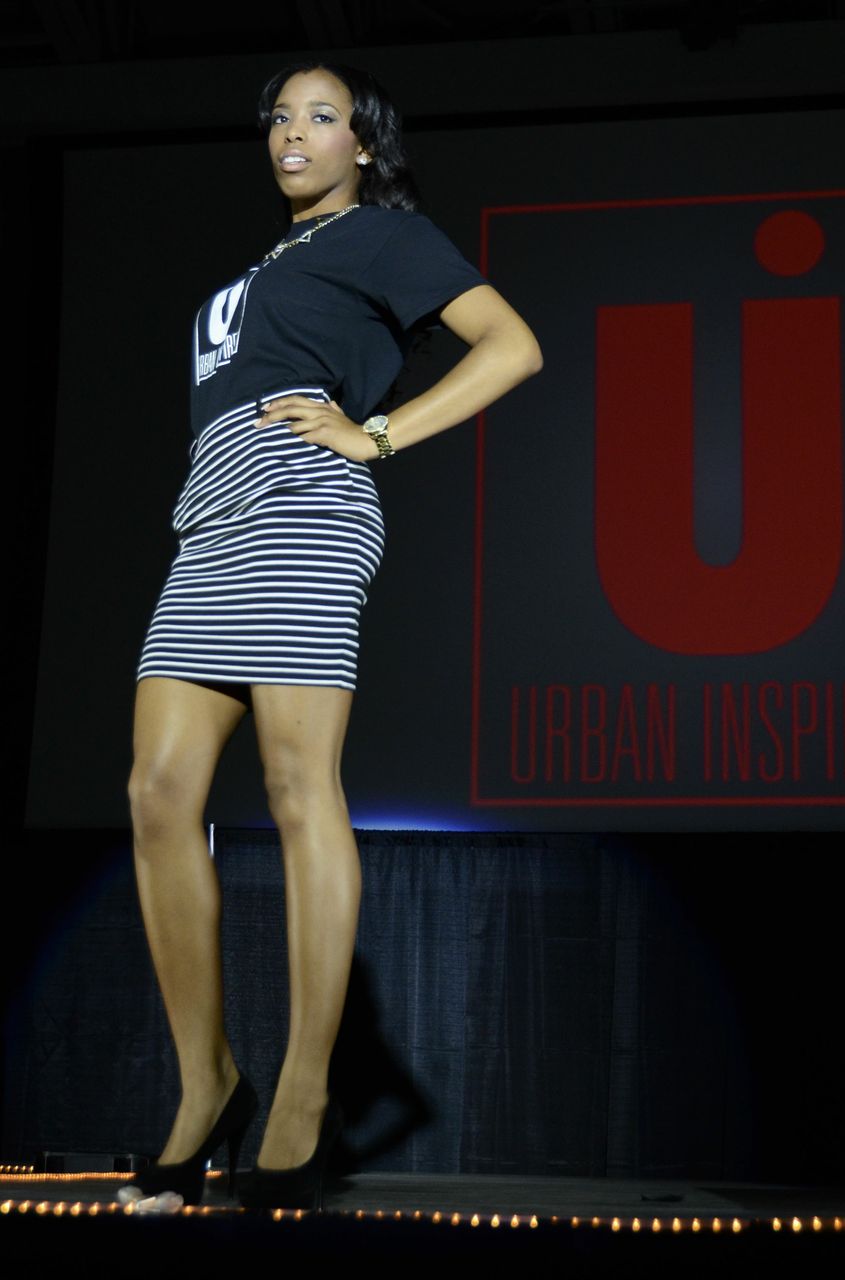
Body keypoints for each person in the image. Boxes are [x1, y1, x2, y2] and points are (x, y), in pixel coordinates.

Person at [120, 60, 541, 1211]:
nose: (292, 132)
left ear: (364, 145)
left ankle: (302, 1099)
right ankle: (208, 1082)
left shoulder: (384, 235)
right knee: (157, 793)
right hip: (210, 521)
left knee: (298, 785)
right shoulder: (270, 262)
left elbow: (511, 345)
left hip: (303, 509)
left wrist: (378, 433)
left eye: (321, 116)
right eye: (280, 116)